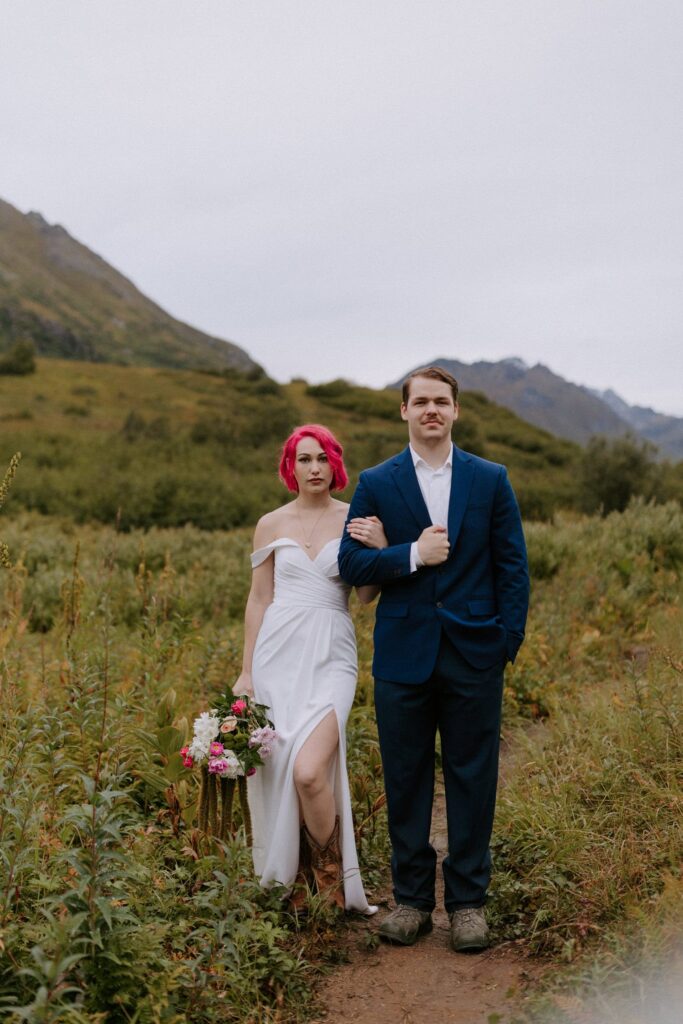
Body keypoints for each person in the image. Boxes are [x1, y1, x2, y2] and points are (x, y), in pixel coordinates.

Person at [338, 366, 529, 951]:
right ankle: (413, 900)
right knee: (406, 777)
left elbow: (512, 568)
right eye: (420, 401)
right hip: (403, 655)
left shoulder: (490, 479)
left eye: (441, 402)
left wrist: (504, 644)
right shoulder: (376, 482)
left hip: (475, 654)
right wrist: (411, 556)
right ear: (403, 411)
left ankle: (468, 903)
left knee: (474, 777)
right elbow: (351, 566)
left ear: (455, 411)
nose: (431, 410)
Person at [234, 424, 384, 914]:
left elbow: (364, 595)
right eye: (304, 459)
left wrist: (379, 549)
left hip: (331, 653)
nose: (314, 468)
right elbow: (259, 598)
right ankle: (297, 880)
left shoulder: (355, 519)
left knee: (308, 771)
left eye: (322, 458)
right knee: (279, 768)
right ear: (290, 466)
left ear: (335, 464)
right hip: (277, 655)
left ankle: (329, 875)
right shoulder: (270, 524)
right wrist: (246, 672)